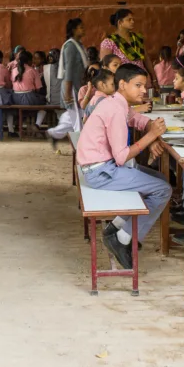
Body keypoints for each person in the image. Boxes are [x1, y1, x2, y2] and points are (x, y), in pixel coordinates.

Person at [75, 64, 171, 268]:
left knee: (160, 180)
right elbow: (122, 157)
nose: (143, 90)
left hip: (101, 166)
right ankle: (123, 238)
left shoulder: (117, 104)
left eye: (144, 86)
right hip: (101, 171)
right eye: (138, 85)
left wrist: (150, 130)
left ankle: (117, 226)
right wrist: (151, 136)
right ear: (122, 84)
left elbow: (137, 119)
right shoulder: (115, 110)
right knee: (163, 190)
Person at [48, 18, 90, 144]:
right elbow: (69, 70)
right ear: (73, 30)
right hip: (71, 87)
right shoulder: (70, 46)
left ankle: (54, 133)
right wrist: (67, 92)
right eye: (80, 27)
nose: (83, 29)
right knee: (77, 119)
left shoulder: (79, 45)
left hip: (77, 85)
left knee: (73, 116)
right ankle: (80, 147)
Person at [100, 9, 157, 88]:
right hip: (123, 82)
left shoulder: (137, 38)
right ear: (120, 22)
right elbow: (105, 65)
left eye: (133, 19)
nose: (132, 21)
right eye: (129, 20)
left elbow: (146, 59)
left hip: (142, 80)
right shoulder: (109, 42)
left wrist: (154, 78)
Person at [11, 50, 46, 135]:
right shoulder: (32, 71)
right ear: (29, 60)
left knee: (24, 109)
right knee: (44, 105)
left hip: (15, 98)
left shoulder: (14, 70)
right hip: (29, 98)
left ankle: (22, 125)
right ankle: (37, 125)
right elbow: (38, 89)